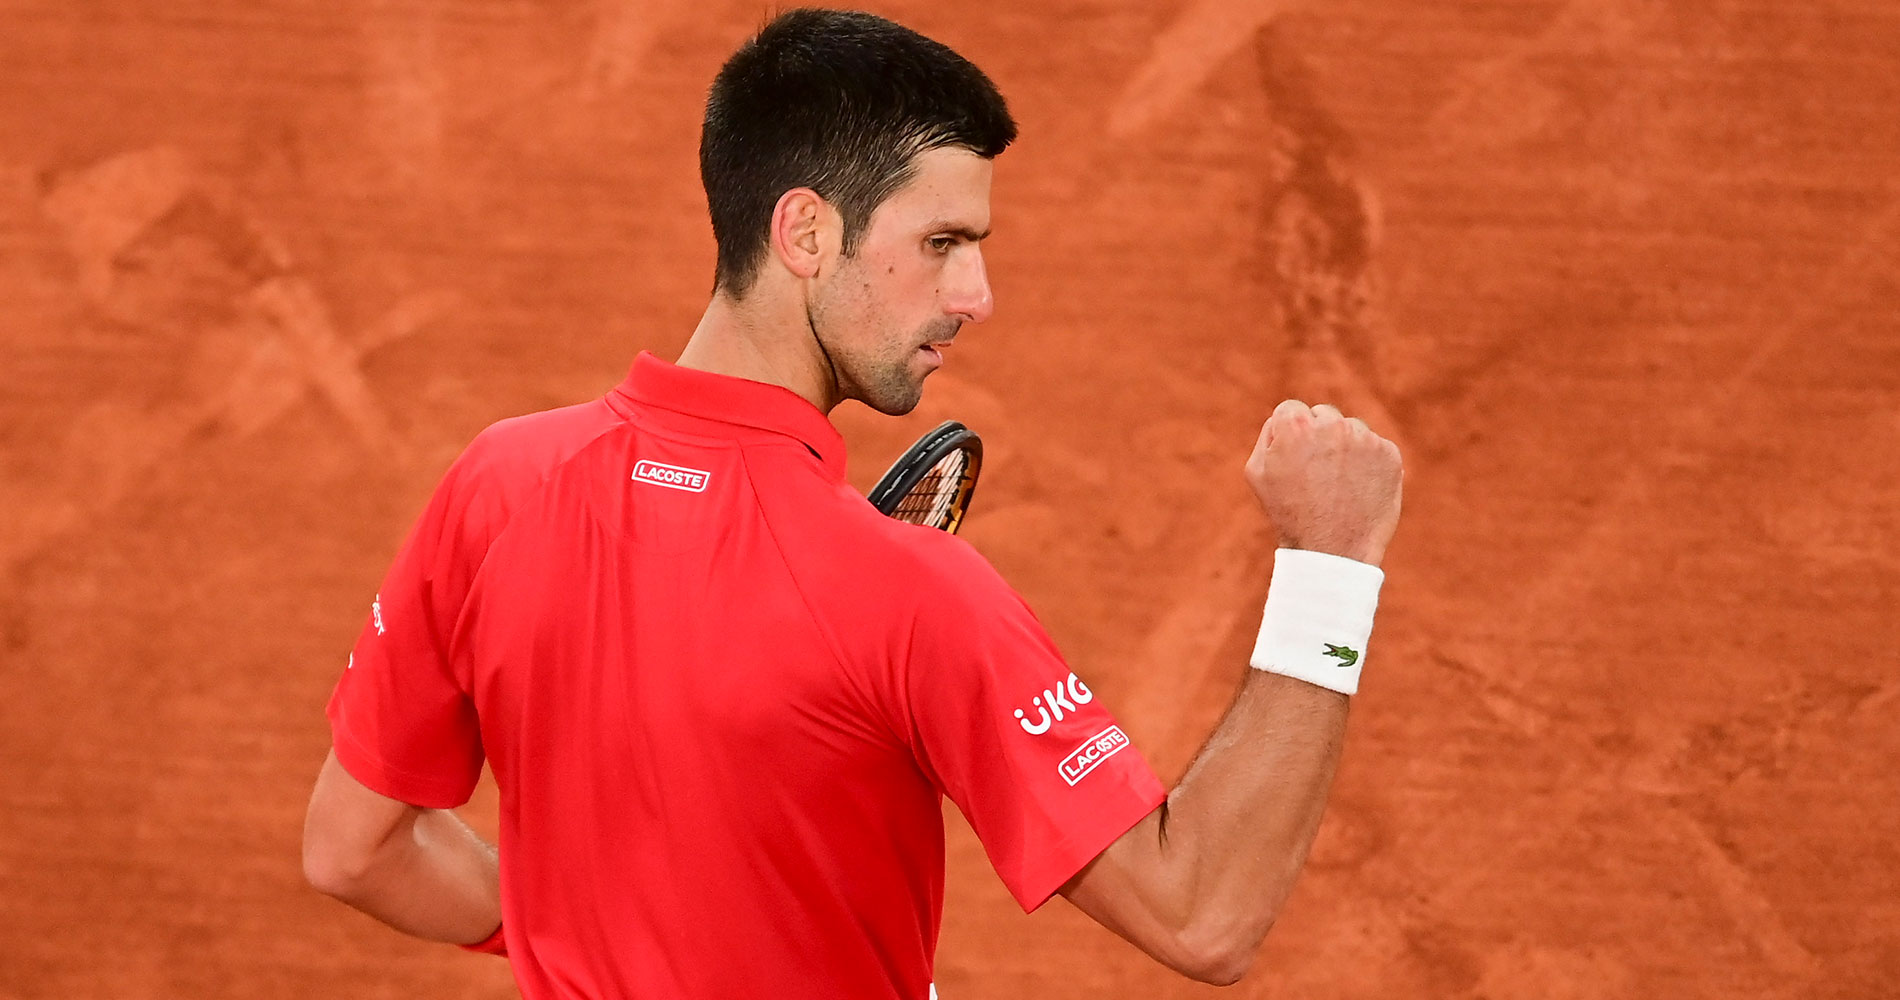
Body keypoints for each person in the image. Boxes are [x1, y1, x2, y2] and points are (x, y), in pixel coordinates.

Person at [300, 8, 1403, 998]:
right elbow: (1202, 912)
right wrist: (1331, 565)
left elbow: (354, 848)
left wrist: (584, 936)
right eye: (941, 244)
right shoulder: (909, 590)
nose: (976, 295)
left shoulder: (500, 483)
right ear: (805, 233)